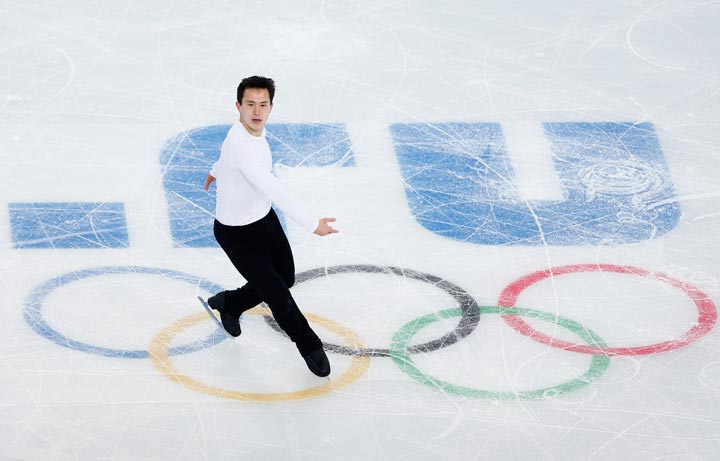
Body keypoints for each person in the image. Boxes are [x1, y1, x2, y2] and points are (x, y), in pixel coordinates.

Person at [203, 76, 338, 377]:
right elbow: (273, 187)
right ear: (238, 106)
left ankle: (230, 302)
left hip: (263, 220)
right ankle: (309, 345)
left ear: (270, 107)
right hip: (236, 234)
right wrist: (312, 223)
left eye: (263, 105)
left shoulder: (246, 135)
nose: (256, 111)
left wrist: (215, 171)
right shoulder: (242, 146)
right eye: (250, 104)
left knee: (285, 278)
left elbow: (227, 157)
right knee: (278, 294)